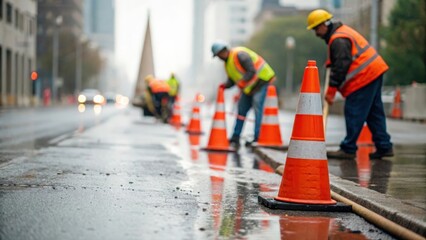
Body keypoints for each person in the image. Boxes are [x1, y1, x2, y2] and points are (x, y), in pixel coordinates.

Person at [306, 9, 393, 159]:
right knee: (374, 113)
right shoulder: (341, 34)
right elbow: (342, 58)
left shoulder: (338, 39)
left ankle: (348, 148)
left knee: (354, 111)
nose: (316, 33)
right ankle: (384, 146)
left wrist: (331, 90)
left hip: (364, 77)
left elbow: (341, 65)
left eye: (316, 29)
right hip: (374, 72)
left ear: (324, 25)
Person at [211, 42, 276, 148]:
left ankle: (257, 138)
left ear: (223, 51)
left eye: (218, 55)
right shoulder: (227, 64)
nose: (219, 58)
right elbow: (233, 80)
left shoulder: (239, 54)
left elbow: (251, 71)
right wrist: (225, 86)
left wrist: (242, 82)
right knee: (241, 111)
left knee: (257, 109)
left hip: (261, 81)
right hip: (249, 87)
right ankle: (235, 137)